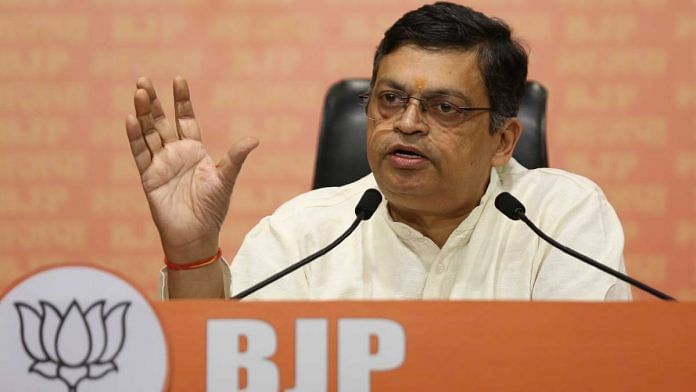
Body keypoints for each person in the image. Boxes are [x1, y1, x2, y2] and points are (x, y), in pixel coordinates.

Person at [125, 2, 630, 301]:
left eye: (444, 108)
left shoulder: (562, 218)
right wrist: (192, 256)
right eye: (389, 99)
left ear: (503, 140)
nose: (407, 123)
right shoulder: (303, 233)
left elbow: (586, 367)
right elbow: (226, 364)